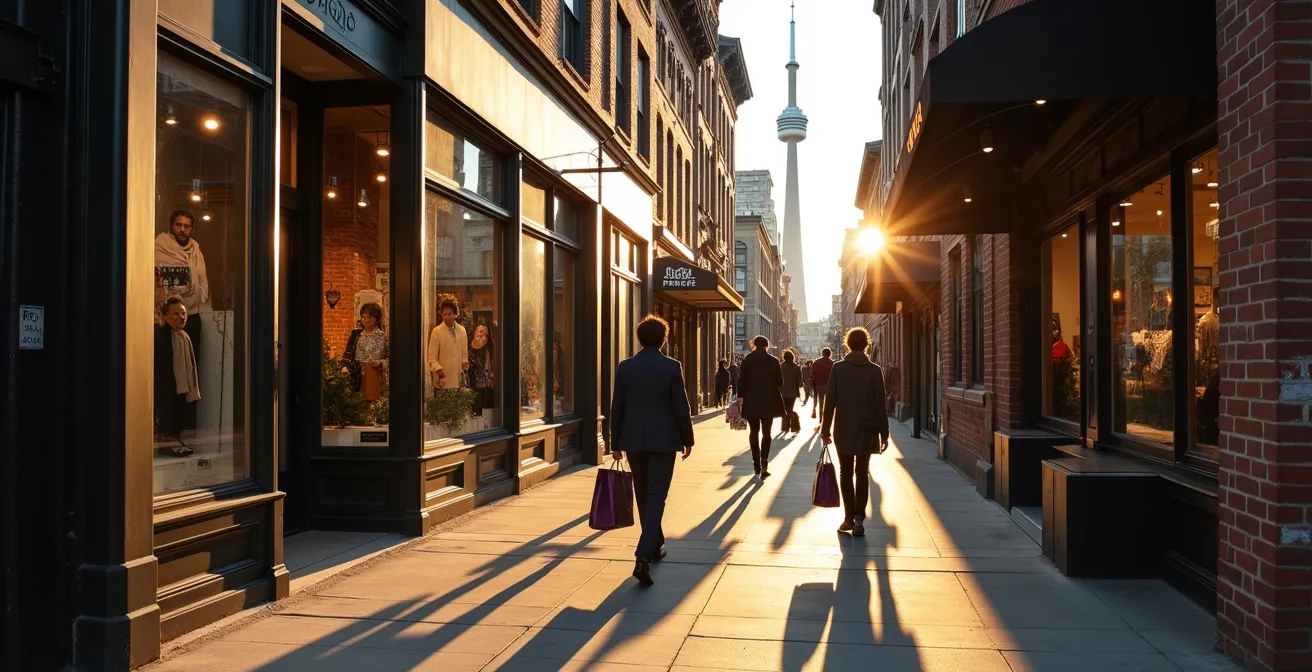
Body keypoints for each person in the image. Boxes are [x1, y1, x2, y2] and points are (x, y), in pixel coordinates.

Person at [610, 315, 695, 586]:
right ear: (663, 339)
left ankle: (655, 543)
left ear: (639, 338)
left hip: (634, 439)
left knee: (644, 495)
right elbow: (680, 405)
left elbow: (617, 407)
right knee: (656, 495)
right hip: (664, 439)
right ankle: (643, 555)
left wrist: (615, 443)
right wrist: (687, 438)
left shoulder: (626, 367)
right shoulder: (671, 367)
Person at [821, 328, 889, 537]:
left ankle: (848, 517)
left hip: (843, 429)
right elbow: (880, 404)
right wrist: (884, 433)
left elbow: (830, 401)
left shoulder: (838, 369)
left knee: (845, 472)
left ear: (848, 345)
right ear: (866, 345)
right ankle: (860, 518)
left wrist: (825, 430)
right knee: (862, 473)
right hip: (867, 430)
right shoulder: (874, 370)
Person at [155, 209, 210, 372]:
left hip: (191, 314)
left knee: (191, 365)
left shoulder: (196, 250)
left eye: (187, 226)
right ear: (171, 226)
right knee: (168, 365)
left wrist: (197, 294)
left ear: (191, 229)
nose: (182, 229)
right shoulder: (160, 247)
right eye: (178, 225)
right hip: (166, 318)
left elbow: (202, 280)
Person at [154, 297, 201, 456]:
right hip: (167, 386)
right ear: (165, 316)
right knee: (167, 415)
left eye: (183, 313)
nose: (181, 317)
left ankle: (176, 442)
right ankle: (167, 444)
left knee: (179, 416)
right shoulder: (161, 335)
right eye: (175, 314)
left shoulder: (184, 336)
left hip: (181, 386)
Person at [737, 335, 785, 479]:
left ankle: (756, 464)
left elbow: (742, 381)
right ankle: (765, 462)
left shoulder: (747, 361)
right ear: (766, 346)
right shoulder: (773, 361)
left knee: (754, 431)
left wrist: (741, 397)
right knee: (767, 432)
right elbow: (780, 382)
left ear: (754, 345)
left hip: (751, 401)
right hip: (769, 401)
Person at [341, 302, 388, 403]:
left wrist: (380, 363)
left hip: (375, 375)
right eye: (363, 317)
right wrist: (344, 366)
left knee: (373, 405)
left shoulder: (383, 337)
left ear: (376, 319)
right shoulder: (356, 334)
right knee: (357, 404)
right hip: (357, 374)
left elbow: (390, 359)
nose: (365, 320)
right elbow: (348, 352)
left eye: (369, 317)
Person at [427, 299, 469, 392]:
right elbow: (432, 358)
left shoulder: (462, 330)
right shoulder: (436, 331)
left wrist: (464, 366)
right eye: (444, 314)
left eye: (449, 314)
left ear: (455, 314)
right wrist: (441, 374)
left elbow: (464, 352)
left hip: (458, 380)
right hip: (442, 381)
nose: (446, 317)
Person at [468, 323, 496, 417]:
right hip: (477, 381)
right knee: (477, 401)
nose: (480, 336)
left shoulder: (490, 348)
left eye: (482, 334)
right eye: (478, 333)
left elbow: (491, 361)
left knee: (487, 406)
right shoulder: (473, 348)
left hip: (488, 382)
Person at [780, 350, 803, 434]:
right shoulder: (796, 367)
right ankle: (790, 425)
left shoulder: (781, 366)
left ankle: (784, 426)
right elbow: (799, 382)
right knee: (790, 408)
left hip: (783, 391)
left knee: (784, 409)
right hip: (793, 392)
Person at [811, 347, 835, 423]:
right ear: (830, 354)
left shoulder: (816, 362)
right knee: (828, 404)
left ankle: (821, 420)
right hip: (829, 386)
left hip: (819, 385)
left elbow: (811, 374)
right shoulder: (832, 363)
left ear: (822, 353)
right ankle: (827, 420)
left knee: (821, 403)